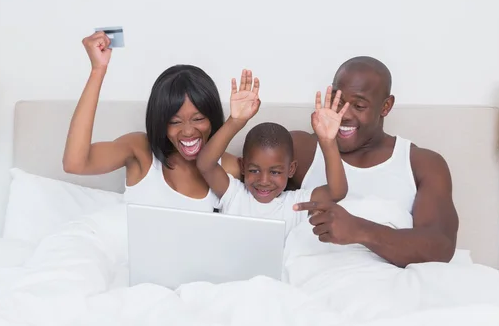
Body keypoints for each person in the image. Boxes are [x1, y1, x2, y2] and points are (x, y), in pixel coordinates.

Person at [290, 56, 459, 267]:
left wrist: (359, 230)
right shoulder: (302, 150)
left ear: (386, 106)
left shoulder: (422, 163)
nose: (344, 115)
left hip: (390, 286)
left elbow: (441, 246)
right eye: (338, 103)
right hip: (313, 282)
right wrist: (237, 122)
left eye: (359, 106)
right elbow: (239, 193)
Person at [62, 31, 241, 212]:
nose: (187, 131)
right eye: (175, 122)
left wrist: (236, 121)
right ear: (161, 122)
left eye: (198, 119)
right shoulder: (140, 150)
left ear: (212, 117)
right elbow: (74, 163)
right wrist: (97, 70)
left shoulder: (229, 167)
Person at [196, 70, 350, 238]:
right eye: (254, 170)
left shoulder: (297, 203)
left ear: (291, 169)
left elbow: (337, 192)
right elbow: (205, 164)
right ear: (242, 166)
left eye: (275, 172)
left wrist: (328, 142)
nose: (263, 181)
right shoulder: (234, 194)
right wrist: (236, 121)